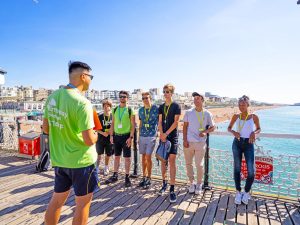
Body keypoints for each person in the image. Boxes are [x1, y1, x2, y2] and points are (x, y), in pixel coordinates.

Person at [43, 61, 99, 225]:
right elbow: (89, 140)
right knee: (82, 205)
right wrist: (96, 134)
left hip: (60, 160)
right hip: (82, 162)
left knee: (56, 201)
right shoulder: (82, 103)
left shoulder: (52, 97)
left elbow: (46, 129)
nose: (91, 80)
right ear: (83, 76)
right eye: (91, 77)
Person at [227, 95, 261, 205]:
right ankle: (238, 192)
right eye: (240, 104)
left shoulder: (254, 116)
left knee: (251, 171)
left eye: (243, 104)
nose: (241, 106)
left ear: (248, 105)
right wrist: (234, 132)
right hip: (237, 143)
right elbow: (229, 128)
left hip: (249, 144)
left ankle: (246, 192)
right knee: (237, 169)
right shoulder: (236, 116)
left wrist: (254, 133)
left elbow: (259, 128)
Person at [183, 92, 215, 195]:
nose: (196, 100)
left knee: (199, 165)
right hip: (189, 142)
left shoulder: (207, 114)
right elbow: (185, 127)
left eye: (198, 98)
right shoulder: (188, 112)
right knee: (188, 164)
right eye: (194, 98)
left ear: (202, 100)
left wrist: (205, 132)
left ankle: (199, 184)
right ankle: (191, 183)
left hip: (200, 143)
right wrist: (184, 140)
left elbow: (213, 127)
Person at [105, 90, 135, 187]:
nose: (122, 98)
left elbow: (133, 126)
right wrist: (111, 135)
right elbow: (113, 123)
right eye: (121, 96)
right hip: (116, 136)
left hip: (126, 137)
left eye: (124, 97)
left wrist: (131, 138)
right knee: (116, 157)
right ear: (119, 98)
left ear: (127, 98)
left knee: (127, 158)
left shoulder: (130, 110)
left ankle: (127, 177)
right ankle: (115, 175)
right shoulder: (114, 110)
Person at [158, 83, 181, 203]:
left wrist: (166, 134)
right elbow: (160, 121)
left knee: (172, 162)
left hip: (172, 137)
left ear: (172, 93)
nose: (165, 93)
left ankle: (172, 189)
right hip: (163, 137)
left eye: (167, 91)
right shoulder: (161, 106)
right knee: (163, 161)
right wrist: (161, 134)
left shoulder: (176, 106)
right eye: (164, 91)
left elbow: (176, 123)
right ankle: (164, 183)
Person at [138, 92, 159, 189]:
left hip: (151, 136)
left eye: (147, 98)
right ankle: (144, 176)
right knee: (143, 158)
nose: (145, 100)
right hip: (142, 135)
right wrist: (138, 137)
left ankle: (149, 178)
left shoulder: (155, 109)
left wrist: (159, 132)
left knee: (148, 157)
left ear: (150, 98)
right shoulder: (141, 110)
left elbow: (159, 122)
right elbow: (141, 123)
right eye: (143, 98)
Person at [96, 99, 113, 176]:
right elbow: (96, 128)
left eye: (108, 106)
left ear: (110, 107)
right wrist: (103, 133)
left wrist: (110, 131)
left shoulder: (113, 116)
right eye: (105, 106)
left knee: (108, 155)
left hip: (109, 139)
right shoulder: (99, 116)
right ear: (103, 107)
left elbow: (115, 127)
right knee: (99, 154)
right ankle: (97, 167)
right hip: (100, 139)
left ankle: (106, 167)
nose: (106, 108)